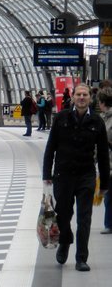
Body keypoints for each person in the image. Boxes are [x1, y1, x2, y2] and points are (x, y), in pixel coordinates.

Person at [43, 84, 110, 271]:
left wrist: (104, 183)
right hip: (63, 175)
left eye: (85, 94)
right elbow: (51, 147)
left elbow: (103, 155)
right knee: (63, 215)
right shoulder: (61, 118)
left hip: (85, 175)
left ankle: (81, 258)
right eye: (78, 94)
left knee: (84, 218)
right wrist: (46, 174)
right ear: (72, 97)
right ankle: (65, 242)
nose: (81, 97)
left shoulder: (97, 122)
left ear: (90, 98)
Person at [98, 87, 112, 234]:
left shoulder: (105, 119)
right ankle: (108, 223)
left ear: (102, 102)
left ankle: (109, 224)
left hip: (109, 162)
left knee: (109, 194)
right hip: (108, 162)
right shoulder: (102, 118)